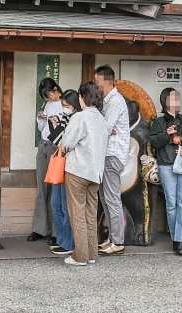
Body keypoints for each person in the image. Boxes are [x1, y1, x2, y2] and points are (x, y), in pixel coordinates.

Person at [60, 82, 108, 266]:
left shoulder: (80, 118)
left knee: (77, 213)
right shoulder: (101, 119)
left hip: (78, 171)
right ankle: (92, 253)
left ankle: (80, 255)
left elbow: (67, 143)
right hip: (95, 173)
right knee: (90, 213)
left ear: (83, 97)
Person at [149, 88, 182, 255]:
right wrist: (167, 133)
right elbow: (154, 142)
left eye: (178, 98)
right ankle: (177, 238)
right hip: (166, 165)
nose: (176, 101)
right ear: (165, 100)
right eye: (172, 98)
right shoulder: (158, 122)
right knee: (172, 204)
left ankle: (180, 240)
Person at [94, 64, 129, 255]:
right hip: (107, 154)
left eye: (97, 81)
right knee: (105, 198)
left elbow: (105, 128)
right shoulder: (108, 101)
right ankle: (112, 239)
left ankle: (118, 241)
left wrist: (105, 128)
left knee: (112, 198)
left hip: (113, 155)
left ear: (106, 81)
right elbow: (106, 128)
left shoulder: (115, 100)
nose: (95, 85)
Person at [46, 90, 82, 256]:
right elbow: (56, 139)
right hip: (61, 165)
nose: (64, 109)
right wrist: (53, 125)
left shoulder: (79, 120)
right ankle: (62, 240)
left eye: (66, 106)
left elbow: (67, 143)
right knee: (56, 204)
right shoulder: (66, 118)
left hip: (72, 167)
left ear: (75, 106)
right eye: (63, 106)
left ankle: (70, 243)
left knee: (66, 207)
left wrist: (59, 132)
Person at [29, 78, 64, 242]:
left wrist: (54, 120)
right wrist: (41, 119)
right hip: (43, 147)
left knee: (56, 191)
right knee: (41, 190)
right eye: (46, 96)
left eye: (49, 93)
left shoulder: (66, 103)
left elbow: (65, 129)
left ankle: (58, 233)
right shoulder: (48, 105)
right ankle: (39, 228)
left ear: (56, 89)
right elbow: (42, 129)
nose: (48, 97)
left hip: (56, 148)